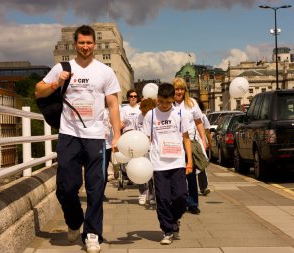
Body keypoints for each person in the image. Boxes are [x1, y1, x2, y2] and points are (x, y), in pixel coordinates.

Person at [35, 24, 121, 253]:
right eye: (81, 43)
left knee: (96, 188)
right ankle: (74, 222)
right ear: (75, 44)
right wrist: (57, 83)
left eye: (89, 43)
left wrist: (117, 134)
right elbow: (38, 91)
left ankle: (92, 233)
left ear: (94, 44)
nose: (85, 47)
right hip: (69, 134)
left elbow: (113, 105)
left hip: (95, 137)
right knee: (66, 187)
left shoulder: (105, 71)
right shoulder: (63, 67)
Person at [142, 83, 193, 245]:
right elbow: (146, 139)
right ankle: (168, 230)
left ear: (173, 100)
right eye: (162, 102)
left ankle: (174, 218)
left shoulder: (180, 113)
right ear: (157, 99)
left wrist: (189, 161)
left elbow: (186, 138)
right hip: (158, 164)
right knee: (163, 199)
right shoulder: (150, 115)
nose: (164, 106)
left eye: (168, 103)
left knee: (181, 196)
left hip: (177, 162)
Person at [172, 77, 207, 215]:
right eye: (176, 89)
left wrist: (203, 139)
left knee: (190, 174)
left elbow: (199, 122)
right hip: (174, 143)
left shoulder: (191, 103)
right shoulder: (169, 104)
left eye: (181, 89)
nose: (179, 91)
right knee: (176, 174)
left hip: (189, 143)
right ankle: (178, 201)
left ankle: (193, 203)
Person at [134, 98, 157, 205]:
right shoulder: (138, 117)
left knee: (153, 173)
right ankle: (144, 192)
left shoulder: (155, 116)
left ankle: (153, 194)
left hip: (153, 148)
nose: (143, 112)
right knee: (141, 172)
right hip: (140, 147)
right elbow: (135, 131)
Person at [194, 97, 212, 195]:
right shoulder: (185, 114)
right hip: (188, 142)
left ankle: (204, 187)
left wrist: (209, 142)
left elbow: (207, 130)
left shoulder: (202, 116)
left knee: (201, 165)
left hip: (199, 143)